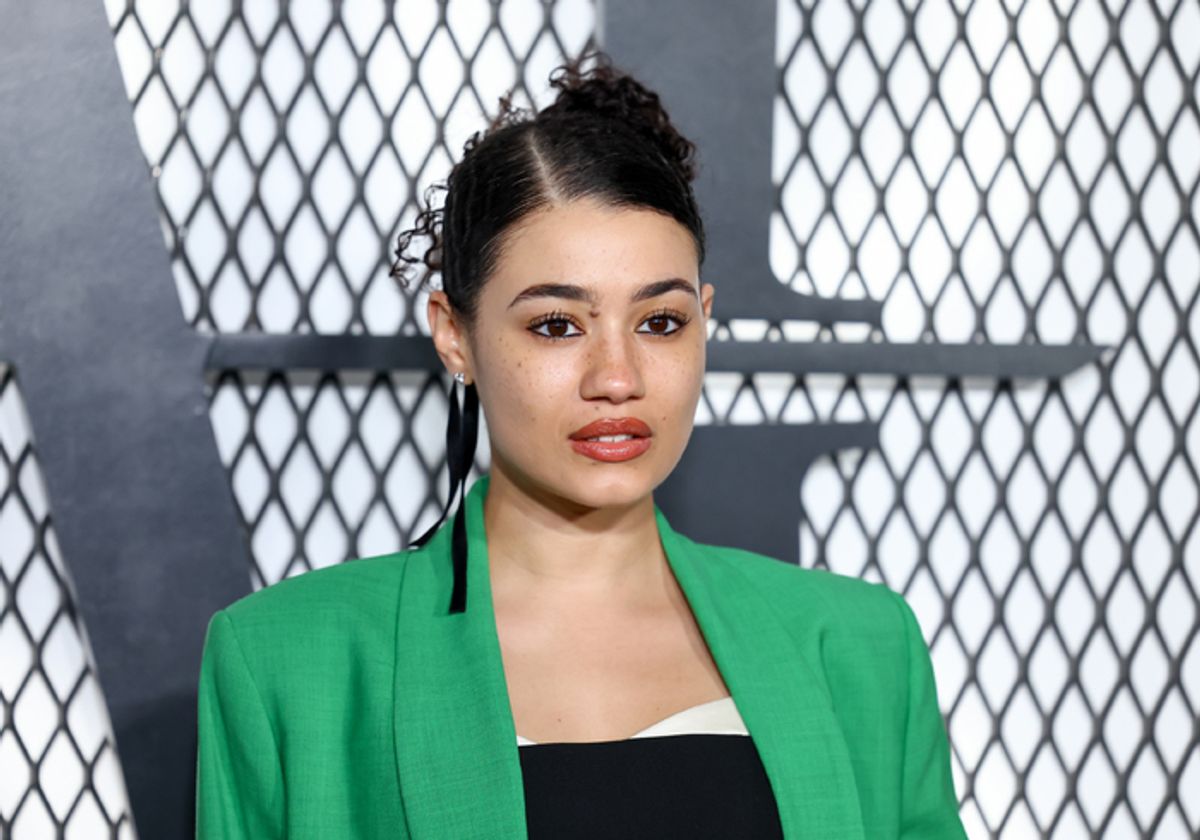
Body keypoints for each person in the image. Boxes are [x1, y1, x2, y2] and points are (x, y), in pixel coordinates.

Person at [195, 51, 968, 839]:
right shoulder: (288, 662)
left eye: (660, 322)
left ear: (705, 320)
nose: (617, 378)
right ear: (454, 335)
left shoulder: (862, 647)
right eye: (556, 325)